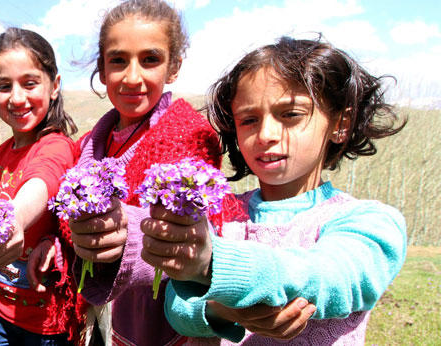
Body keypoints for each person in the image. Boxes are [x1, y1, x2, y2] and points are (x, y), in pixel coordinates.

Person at [63, 0, 313, 346]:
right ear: (102, 70)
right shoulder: (91, 143)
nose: (132, 76)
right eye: (118, 61)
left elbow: (199, 230)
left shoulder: (189, 132)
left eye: (150, 60)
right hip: (101, 314)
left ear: (173, 67)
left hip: (163, 320)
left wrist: (126, 234)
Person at [140, 36, 408, 345]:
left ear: (341, 124)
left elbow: (328, 277)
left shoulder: (370, 220)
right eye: (249, 119)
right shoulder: (217, 216)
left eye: (291, 115)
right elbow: (177, 307)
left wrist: (213, 263)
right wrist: (222, 310)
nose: (266, 134)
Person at [0, 27, 83, 345]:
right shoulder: (2, 152)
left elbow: (41, 183)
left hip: (48, 327)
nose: (17, 98)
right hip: (1, 314)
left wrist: (12, 221)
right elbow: (0, 205)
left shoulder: (56, 146)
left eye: (30, 83)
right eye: (4, 86)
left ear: (54, 86)